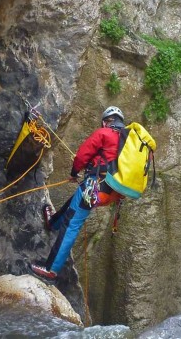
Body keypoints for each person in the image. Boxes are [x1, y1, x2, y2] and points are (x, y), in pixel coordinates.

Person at [30, 107, 126, 283]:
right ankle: (53, 223)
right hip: (111, 193)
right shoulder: (127, 142)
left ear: (106, 121)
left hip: (95, 188)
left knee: (72, 224)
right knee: (76, 203)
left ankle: (51, 270)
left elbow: (82, 155)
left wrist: (74, 173)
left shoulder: (104, 133)